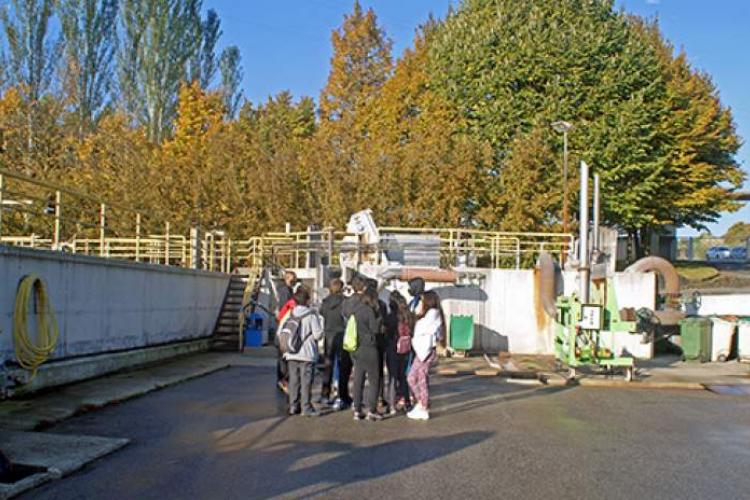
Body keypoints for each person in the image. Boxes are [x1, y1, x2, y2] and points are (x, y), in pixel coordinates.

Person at [283, 286, 324, 417]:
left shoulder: (291, 313)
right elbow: (318, 335)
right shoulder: (311, 314)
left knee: (294, 381)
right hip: (307, 353)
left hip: (291, 352)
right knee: (306, 381)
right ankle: (306, 407)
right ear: (307, 300)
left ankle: (293, 406)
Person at [407, 290, 444, 421]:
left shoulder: (432, 315)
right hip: (424, 350)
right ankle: (422, 403)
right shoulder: (433, 315)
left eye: (423, 300)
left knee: (417, 378)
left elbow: (422, 329)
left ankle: (423, 406)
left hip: (426, 351)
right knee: (417, 378)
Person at [349, 286, 384, 421]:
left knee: (358, 380)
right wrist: (379, 320)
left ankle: (357, 410)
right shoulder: (369, 311)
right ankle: (372, 410)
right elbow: (375, 329)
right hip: (370, 348)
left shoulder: (356, 310)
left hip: (357, 348)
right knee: (373, 380)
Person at [318, 278, 347, 406]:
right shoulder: (345, 302)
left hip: (328, 334)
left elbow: (321, 313)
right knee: (342, 366)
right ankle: (341, 394)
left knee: (327, 366)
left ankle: (325, 394)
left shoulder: (325, 302)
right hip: (341, 334)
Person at [384, 291, 413, 414]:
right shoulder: (409, 316)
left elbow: (386, 334)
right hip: (406, 349)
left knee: (393, 377)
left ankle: (391, 405)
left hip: (393, 348)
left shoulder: (391, 317)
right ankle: (407, 402)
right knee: (403, 376)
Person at [275, 271, 297, 393]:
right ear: (286, 279)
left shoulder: (287, 290)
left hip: (284, 325)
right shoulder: (285, 291)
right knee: (283, 356)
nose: (294, 281)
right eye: (292, 279)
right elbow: (285, 308)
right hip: (285, 326)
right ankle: (283, 380)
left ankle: (282, 379)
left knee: (283, 355)